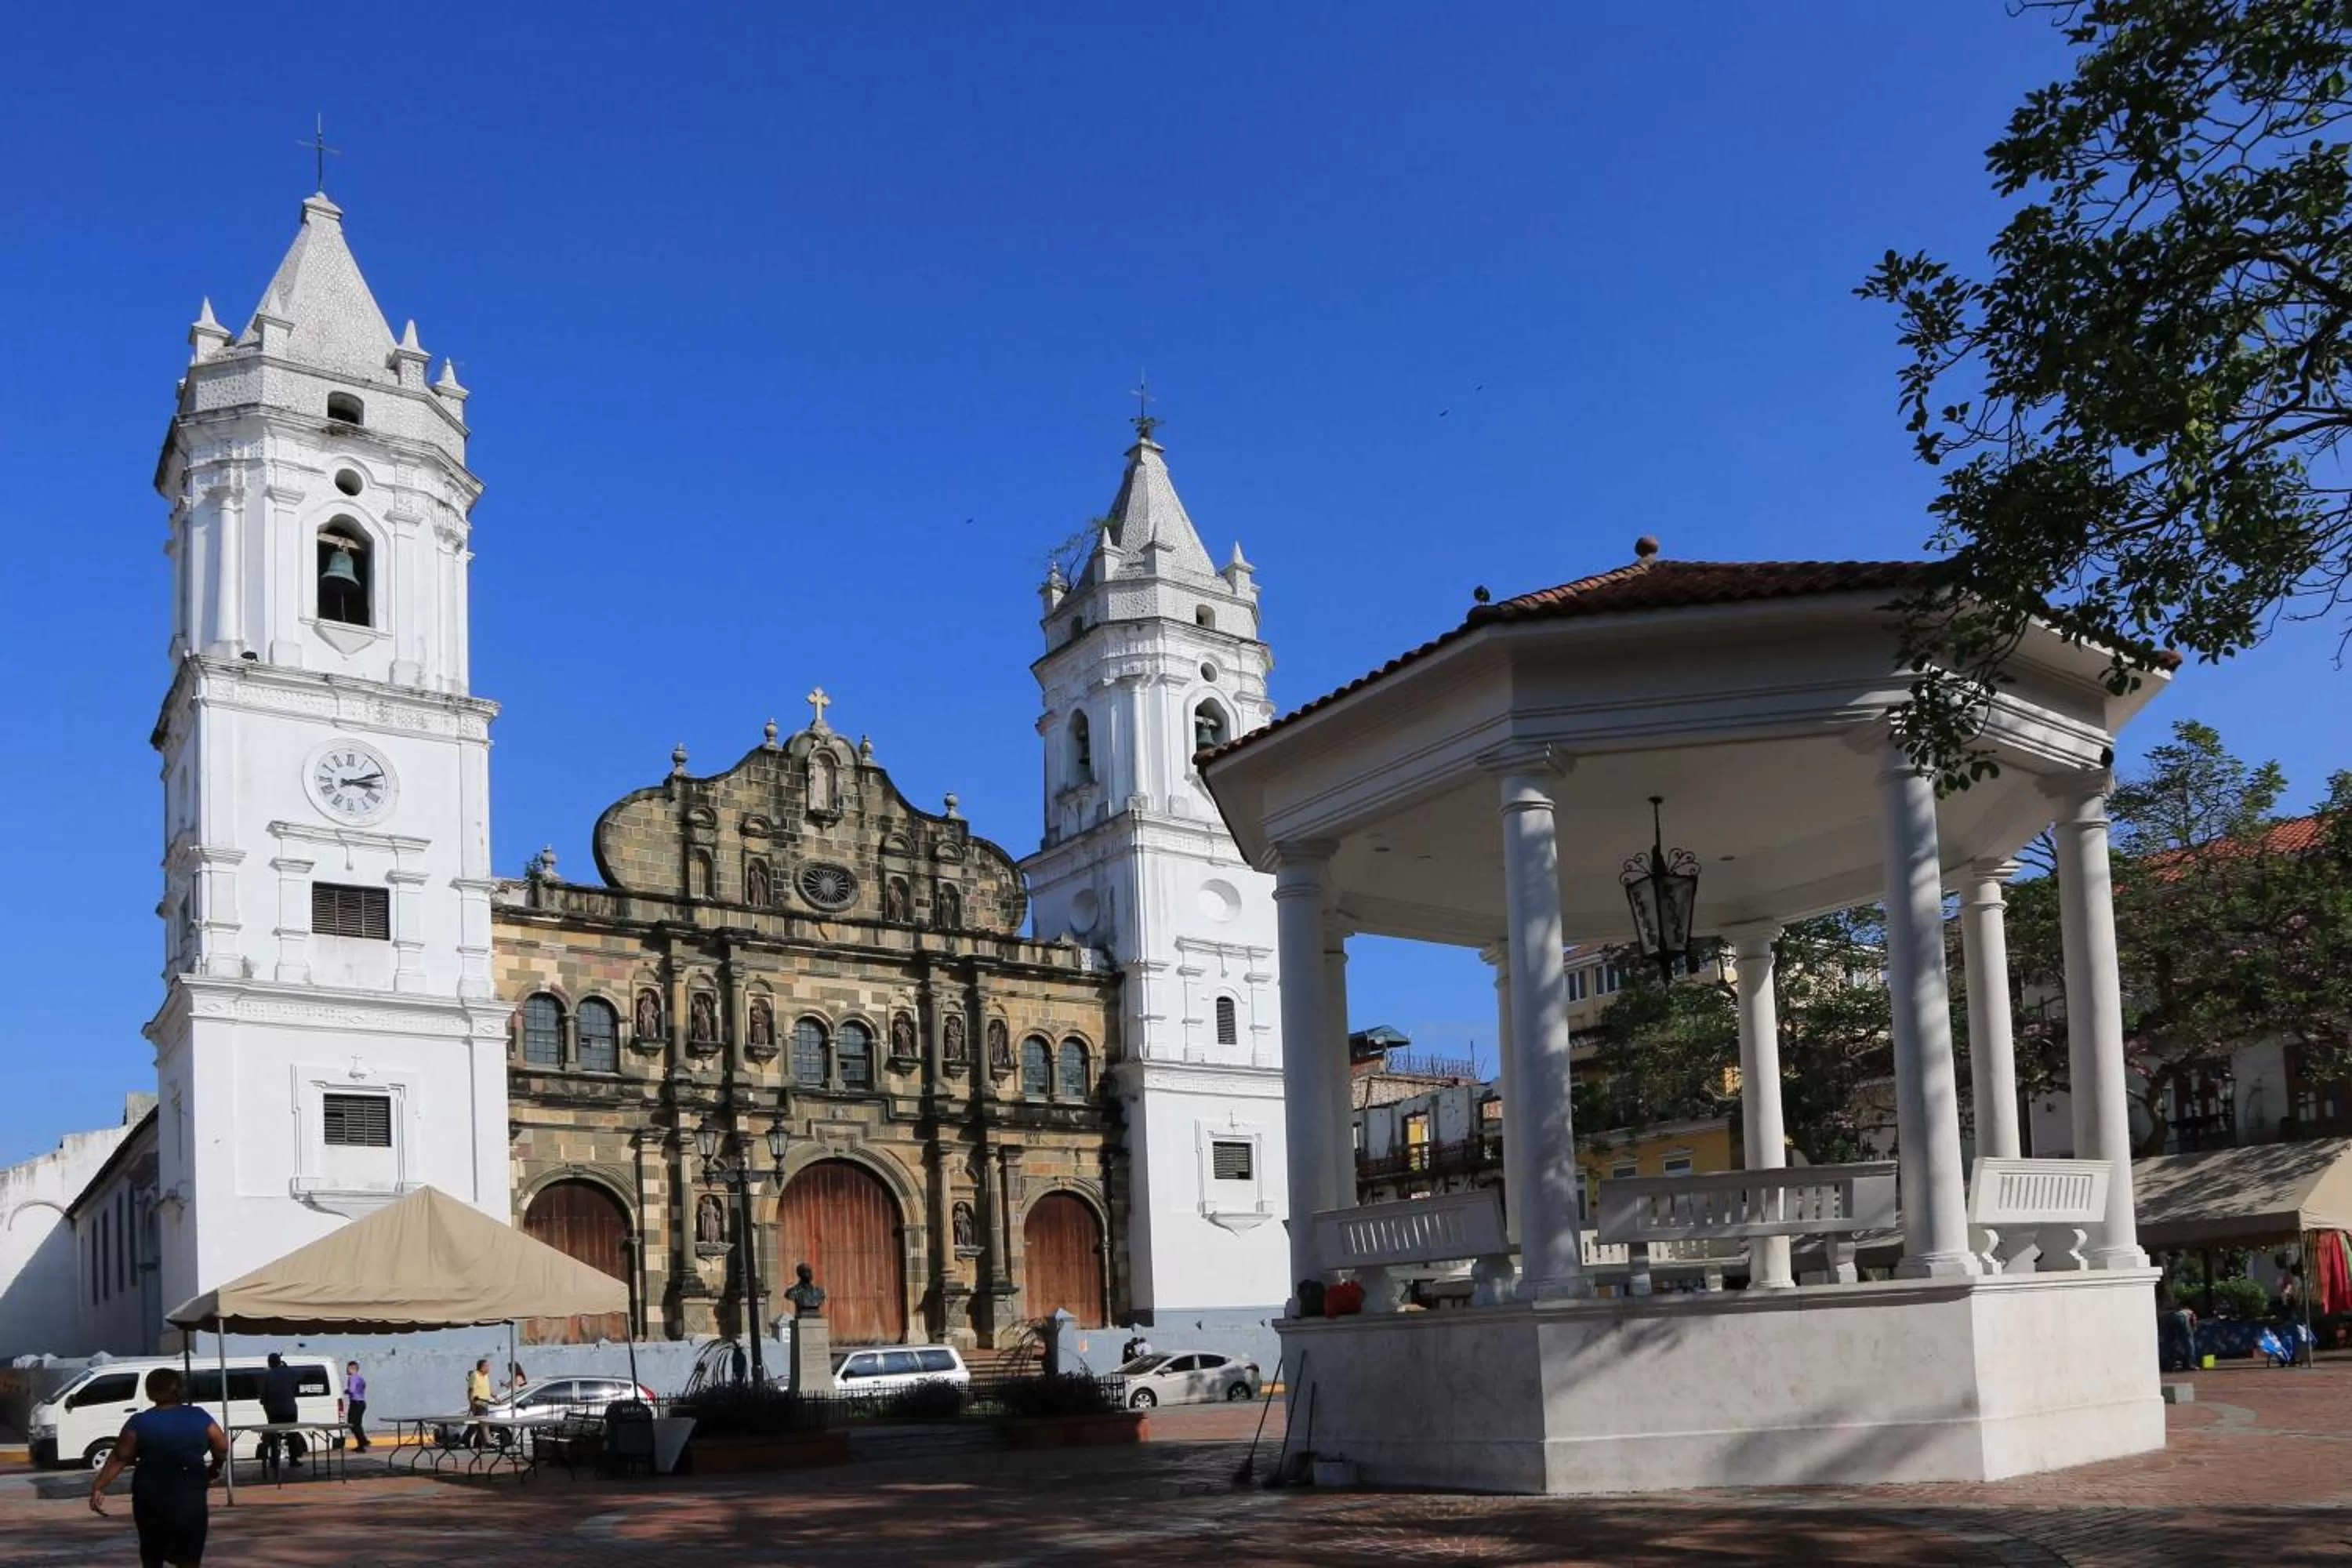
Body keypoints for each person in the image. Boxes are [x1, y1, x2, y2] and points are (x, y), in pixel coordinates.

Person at [89, 1366, 227, 1568]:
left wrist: (99, 1486)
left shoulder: (139, 1422)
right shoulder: (199, 1416)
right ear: (179, 1389)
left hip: (150, 1493)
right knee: (189, 1553)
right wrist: (216, 1466)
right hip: (190, 1491)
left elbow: (120, 1457)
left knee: (152, 1552)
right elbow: (222, 1445)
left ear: (150, 1392)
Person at [258, 1352, 305, 1472]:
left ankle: (274, 1461)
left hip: (274, 1412)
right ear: (279, 1362)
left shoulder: (266, 1375)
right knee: (292, 1436)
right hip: (290, 1410)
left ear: (269, 1363)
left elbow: (263, 1397)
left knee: (274, 1438)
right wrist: (285, 1366)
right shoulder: (289, 1372)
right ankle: (293, 1460)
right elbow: (301, 1375)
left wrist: (267, 1407)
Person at [465, 1358, 493, 1450]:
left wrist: (495, 1397)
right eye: (487, 1366)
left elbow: (488, 1388)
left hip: (485, 1402)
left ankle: (469, 1439)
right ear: (482, 1367)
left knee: (477, 1424)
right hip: (478, 1402)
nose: (489, 1368)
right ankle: (488, 1442)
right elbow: (470, 1391)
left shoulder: (486, 1376)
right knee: (484, 1423)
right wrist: (472, 1404)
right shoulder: (475, 1375)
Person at [343, 1362, 369, 1453]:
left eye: (348, 1368)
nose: (346, 1370)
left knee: (352, 1424)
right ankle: (361, 1445)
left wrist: (346, 1391)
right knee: (357, 1424)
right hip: (361, 1403)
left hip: (356, 1403)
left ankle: (364, 1441)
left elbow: (352, 1390)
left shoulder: (353, 1377)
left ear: (353, 1368)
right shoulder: (360, 1378)